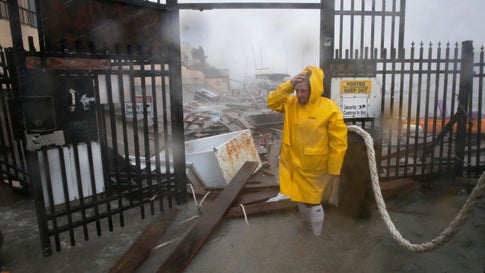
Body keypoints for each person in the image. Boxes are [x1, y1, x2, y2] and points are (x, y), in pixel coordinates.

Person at [266, 65, 348, 236]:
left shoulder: (329, 108)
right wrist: (289, 85)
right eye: (297, 90)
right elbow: (272, 101)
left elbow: (339, 141)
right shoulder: (291, 103)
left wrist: (334, 169)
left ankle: (316, 237)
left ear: (315, 89)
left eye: (303, 91)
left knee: (313, 202)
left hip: (315, 167)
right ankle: (305, 228)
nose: (300, 95)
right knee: (298, 197)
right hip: (292, 164)